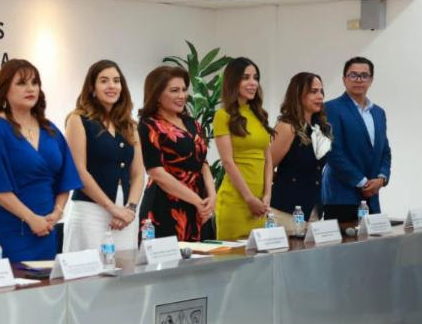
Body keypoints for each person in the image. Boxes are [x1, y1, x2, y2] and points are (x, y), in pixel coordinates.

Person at [0, 59, 82, 261]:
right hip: (4, 230)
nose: (30, 88)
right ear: (5, 89)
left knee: (44, 281)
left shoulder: (50, 130)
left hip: (45, 229)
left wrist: (58, 211)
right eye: (22, 83)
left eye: (35, 83)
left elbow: (66, 179)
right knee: (15, 281)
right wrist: (31, 218)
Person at [64, 60, 144, 253]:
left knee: (125, 269)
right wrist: (112, 209)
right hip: (90, 212)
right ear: (92, 88)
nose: (112, 86)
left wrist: (130, 209)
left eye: (116, 81)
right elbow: (79, 171)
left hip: (126, 215)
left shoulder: (129, 125)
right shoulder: (78, 119)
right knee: (89, 270)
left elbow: (138, 173)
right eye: (104, 81)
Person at [136, 65, 215, 241]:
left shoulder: (192, 123)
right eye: (174, 90)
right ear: (157, 94)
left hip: (200, 206)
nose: (182, 96)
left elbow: (202, 162)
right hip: (165, 206)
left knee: (204, 257)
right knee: (169, 258)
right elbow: (157, 173)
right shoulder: (148, 125)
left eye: (184, 90)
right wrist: (196, 200)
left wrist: (211, 195)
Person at [322, 56, 392, 221]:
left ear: (371, 80)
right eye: (353, 75)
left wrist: (381, 179)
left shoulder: (378, 112)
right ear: (344, 79)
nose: (359, 80)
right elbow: (333, 152)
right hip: (341, 196)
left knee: (373, 238)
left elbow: (385, 151)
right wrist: (362, 182)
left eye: (364, 75)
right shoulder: (330, 108)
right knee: (343, 238)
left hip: (372, 197)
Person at [213, 57, 274, 240]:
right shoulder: (222, 115)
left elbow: (268, 160)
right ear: (233, 81)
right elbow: (227, 161)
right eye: (246, 77)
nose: (253, 83)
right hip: (236, 200)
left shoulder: (259, 114)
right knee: (233, 255)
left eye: (255, 78)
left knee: (259, 255)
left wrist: (267, 195)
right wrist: (249, 198)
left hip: (260, 202)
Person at [268, 72, 332, 227]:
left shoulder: (320, 128)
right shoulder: (287, 127)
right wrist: (285, 179)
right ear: (298, 95)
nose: (320, 96)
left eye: (321, 91)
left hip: (313, 210)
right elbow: (266, 168)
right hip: (286, 210)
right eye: (313, 91)